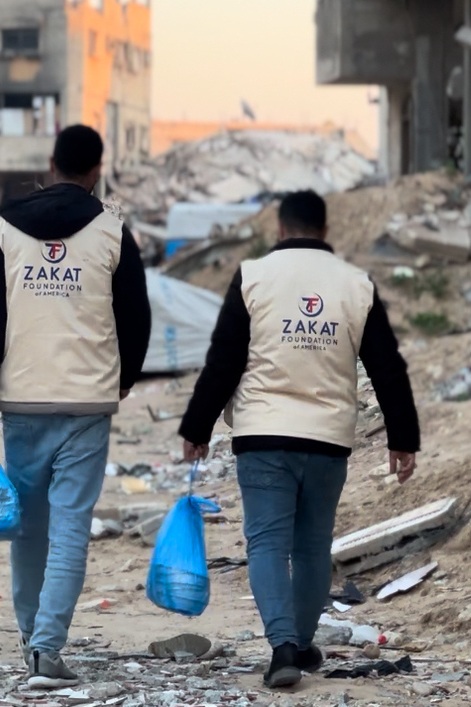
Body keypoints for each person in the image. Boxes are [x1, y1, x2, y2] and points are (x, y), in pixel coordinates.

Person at [177, 190, 420, 689]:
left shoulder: (253, 277)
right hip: (328, 438)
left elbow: (224, 360)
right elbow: (387, 366)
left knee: (266, 542)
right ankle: (300, 643)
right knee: (312, 546)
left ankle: (283, 646)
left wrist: (196, 428)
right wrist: (403, 438)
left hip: (263, 435)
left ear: (280, 229)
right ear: (324, 231)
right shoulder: (357, 285)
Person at [0, 125, 152, 689]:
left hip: (22, 399)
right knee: (70, 529)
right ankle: (47, 648)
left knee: (28, 527)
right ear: (97, 169)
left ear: (51, 163)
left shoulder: (7, 227)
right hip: (87, 400)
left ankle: (29, 637)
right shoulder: (113, 229)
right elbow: (136, 318)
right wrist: (122, 379)